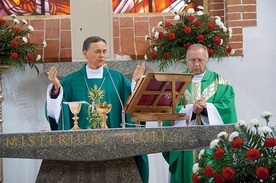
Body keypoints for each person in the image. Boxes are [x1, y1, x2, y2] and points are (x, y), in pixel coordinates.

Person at [45, 36, 149, 183]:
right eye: (97, 51)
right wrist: (56, 88)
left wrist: (135, 83)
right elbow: (55, 111)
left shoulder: (116, 78)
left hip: (113, 147)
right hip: (81, 148)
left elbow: (130, 102)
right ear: (85, 53)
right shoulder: (70, 80)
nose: (102, 55)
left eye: (104, 51)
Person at [163, 44, 237, 183]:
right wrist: (191, 110)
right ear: (186, 61)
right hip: (184, 145)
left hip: (211, 145)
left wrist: (206, 108)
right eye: (192, 60)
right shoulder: (175, 83)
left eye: (200, 60)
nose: (196, 64)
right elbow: (167, 109)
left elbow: (228, 109)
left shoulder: (221, 84)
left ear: (207, 61)